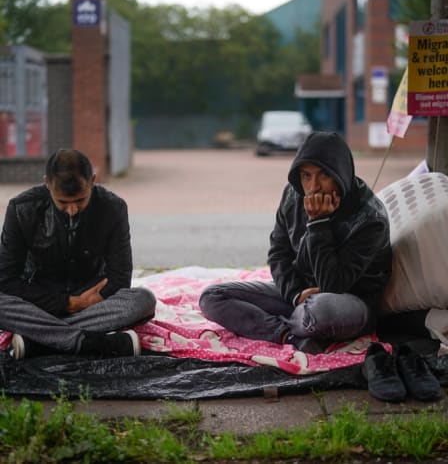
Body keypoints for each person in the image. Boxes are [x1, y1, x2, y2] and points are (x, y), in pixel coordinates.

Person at [199, 131, 392, 354]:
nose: (314, 187)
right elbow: (278, 254)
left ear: (342, 174)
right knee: (212, 297)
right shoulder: (293, 196)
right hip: (301, 295)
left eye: (324, 175)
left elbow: (333, 285)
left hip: (348, 303)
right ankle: (288, 335)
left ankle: (284, 322)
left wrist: (319, 222)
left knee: (320, 311)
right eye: (306, 176)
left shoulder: (370, 218)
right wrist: (295, 294)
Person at [0, 149, 156, 359]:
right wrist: (69, 303)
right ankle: (86, 342)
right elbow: (6, 280)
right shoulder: (20, 208)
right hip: (38, 303)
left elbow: (120, 277)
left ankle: (41, 341)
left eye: (80, 200)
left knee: (144, 299)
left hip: (94, 304)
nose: (72, 210)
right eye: (63, 202)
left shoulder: (113, 207)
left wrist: (88, 302)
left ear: (92, 181)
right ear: (47, 183)